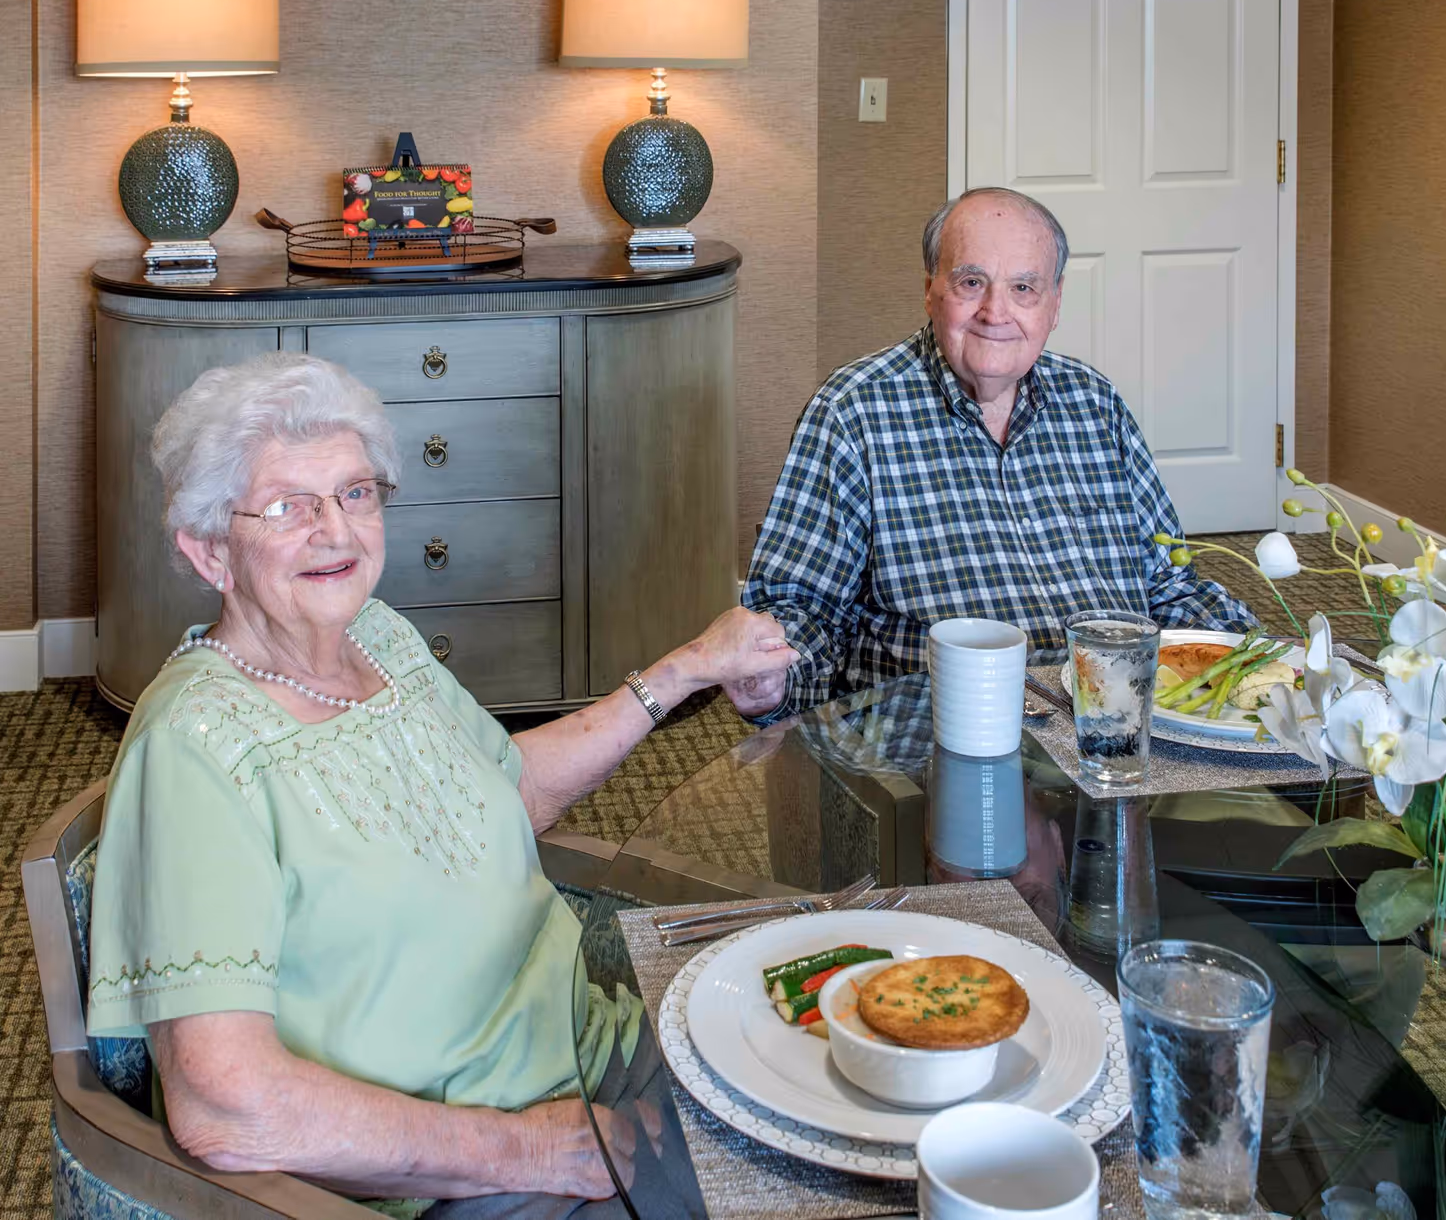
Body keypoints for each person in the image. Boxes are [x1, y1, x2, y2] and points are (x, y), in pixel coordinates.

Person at [86, 354, 794, 1213]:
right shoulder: (195, 750)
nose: (336, 532)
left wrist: (686, 670)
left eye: (354, 493)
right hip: (469, 1164)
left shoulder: (378, 638)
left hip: (593, 1046)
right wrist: (525, 1148)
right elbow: (223, 1105)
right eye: (286, 507)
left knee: (858, 1089)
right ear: (209, 551)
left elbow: (510, 791)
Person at [732, 187, 1256, 721]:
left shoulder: (1096, 403)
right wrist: (773, 674)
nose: (995, 312)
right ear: (930, 291)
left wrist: (1264, 654)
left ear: (1054, 304)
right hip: (944, 734)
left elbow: (1167, 585)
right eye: (971, 282)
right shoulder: (854, 411)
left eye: (1024, 287)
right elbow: (803, 608)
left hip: (1116, 724)